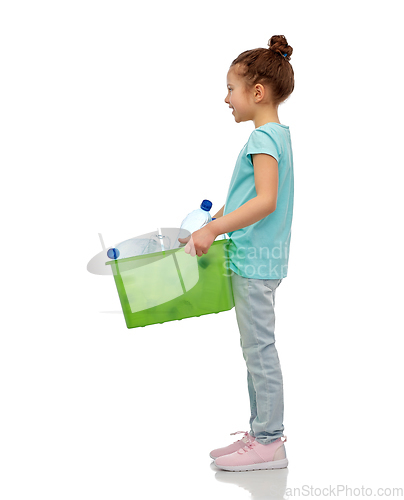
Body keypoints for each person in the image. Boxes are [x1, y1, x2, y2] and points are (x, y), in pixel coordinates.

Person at [178, 35, 294, 472]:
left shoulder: (263, 138)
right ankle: (261, 432)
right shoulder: (274, 136)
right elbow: (249, 197)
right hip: (257, 257)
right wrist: (217, 219)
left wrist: (214, 228)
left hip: (255, 260)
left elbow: (265, 201)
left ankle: (269, 442)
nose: (225, 97)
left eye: (231, 88)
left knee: (259, 349)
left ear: (257, 92)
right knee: (254, 348)